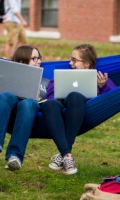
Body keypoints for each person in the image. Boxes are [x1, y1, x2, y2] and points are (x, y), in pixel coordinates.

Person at [41, 44, 116, 175]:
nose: (70, 63)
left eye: (74, 60)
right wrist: (60, 92)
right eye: (71, 59)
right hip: (60, 111)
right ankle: (66, 155)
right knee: (49, 105)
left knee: (75, 96)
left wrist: (102, 86)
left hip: (85, 112)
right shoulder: (63, 76)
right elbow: (50, 96)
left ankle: (63, 154)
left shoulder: (100, 79)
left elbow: (113, 98)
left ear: (87, 64)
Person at [0, 45, 45, 171]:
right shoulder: (6, 75)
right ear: (22, 61)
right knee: (6, 95)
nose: (39, 61)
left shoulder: (43, 80)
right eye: (34, 58)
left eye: (39, 58)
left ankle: (14, 156)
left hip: (27, 112)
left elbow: (45, 101)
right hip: (5, 110)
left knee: (28, 103)